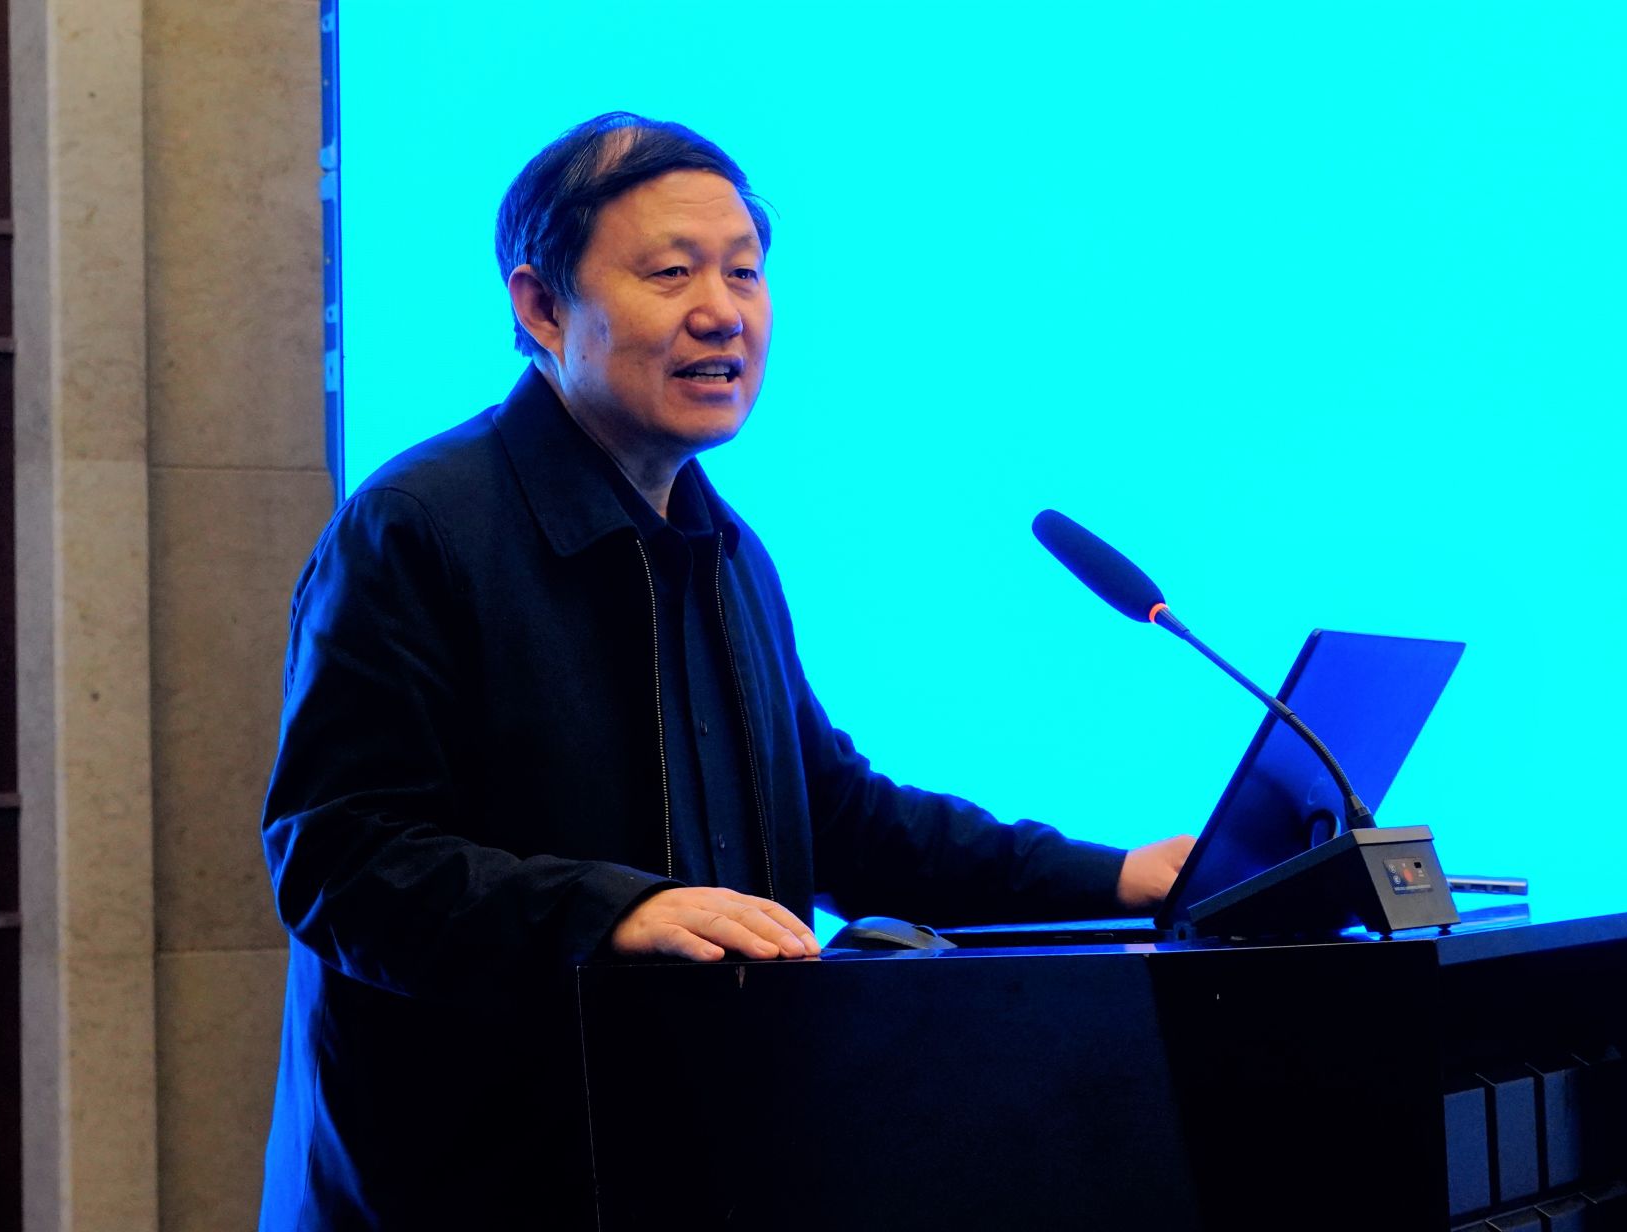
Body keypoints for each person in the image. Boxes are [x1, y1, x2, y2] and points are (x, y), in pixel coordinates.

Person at [256, 111, 1194, 1230]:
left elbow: (839, 821)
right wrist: (617, 913)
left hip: (700, 1167)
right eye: (671, 273)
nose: (722, 310)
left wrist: (1115, 877)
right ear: (542, 307)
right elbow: (340, 859)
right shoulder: (416, 528)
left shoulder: (726, 549)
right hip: (475, 1189)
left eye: (743, 272)